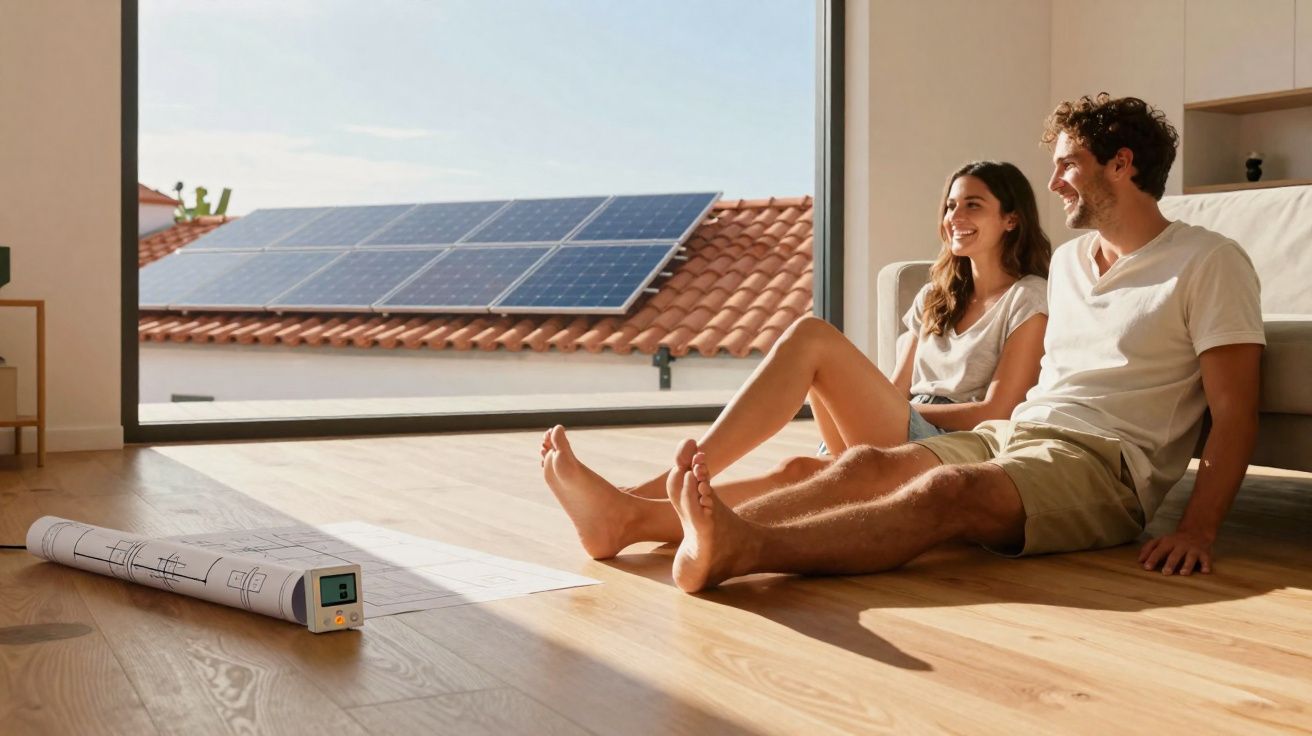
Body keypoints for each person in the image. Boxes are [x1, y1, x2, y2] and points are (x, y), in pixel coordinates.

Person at [646, 93, 1264, 592]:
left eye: (1069, 164)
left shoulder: (1209, 261)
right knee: (866, 464)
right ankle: (697, 525)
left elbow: (1235, 410)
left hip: (1105, 464)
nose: (1053, 183)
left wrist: (1198, 530)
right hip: (1018, 431)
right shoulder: (1072, 263)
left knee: (949, 492)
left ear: (1122, 164)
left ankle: (742, 547)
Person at [541, 160, 1052, 560]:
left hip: (953, 446)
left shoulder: (1029, 297)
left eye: (973, 206)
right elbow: (897, 390)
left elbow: (998, 411)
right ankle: (626, 518)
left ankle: (645, 495)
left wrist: (901, 412)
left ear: (1011, 218)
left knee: (812, 338)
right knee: (799, 471)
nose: (955, 219)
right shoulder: (933, 297)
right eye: (950, 206)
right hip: (904, 424)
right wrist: (878, 405)